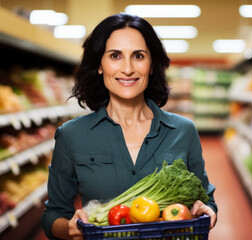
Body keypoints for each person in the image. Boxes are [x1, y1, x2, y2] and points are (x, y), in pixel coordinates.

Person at [41, 13, 217, 240]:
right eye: (115, 56)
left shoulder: (183, 130)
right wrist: (69, 228)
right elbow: (53, 214)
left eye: (138, 56)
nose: (127, 68)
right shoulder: (72, 135)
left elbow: (207, 200)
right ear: (99, 65)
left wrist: (207, 210)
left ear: (152, 65)